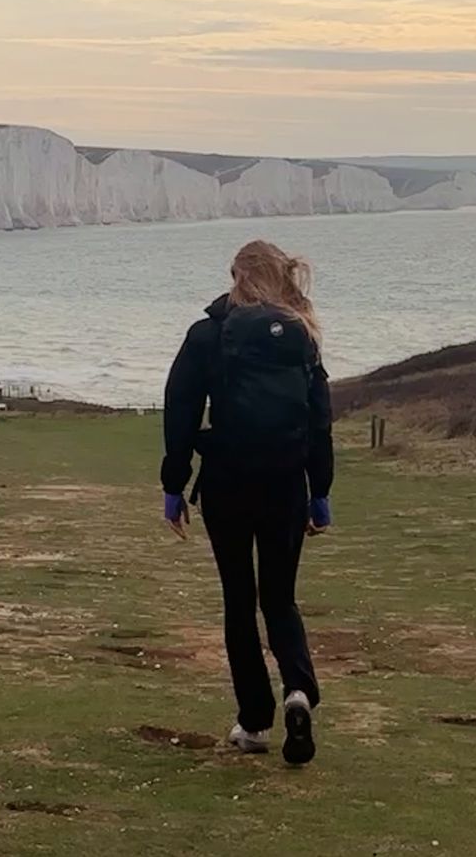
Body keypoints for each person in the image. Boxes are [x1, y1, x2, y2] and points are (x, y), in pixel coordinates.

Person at [159, 239, 334, 767]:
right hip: (284, 485)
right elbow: (320, 420)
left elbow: (180, 410)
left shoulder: (207, 335)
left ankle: (254, 720)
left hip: (227, 484)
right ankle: (298, 691)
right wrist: (320, 491)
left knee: (240, 600)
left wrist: (174, 484)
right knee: (280, 598)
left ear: (236, 275)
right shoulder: (301, 337)